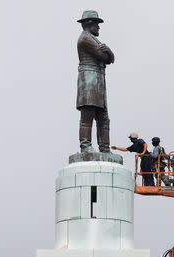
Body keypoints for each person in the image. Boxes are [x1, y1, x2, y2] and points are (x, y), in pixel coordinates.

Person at [76, 10, 115, 153]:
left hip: (98, 81)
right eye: (97, 24)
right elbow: (104, 57)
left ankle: (105, 148)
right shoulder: (85, 39)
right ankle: (85, 146)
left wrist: (109, 53)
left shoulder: (92, 38)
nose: (99, 27)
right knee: (88, 114)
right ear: (89, 24)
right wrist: (109, 53)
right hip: (88, 81)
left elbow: (109, 59)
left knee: (103, 117)